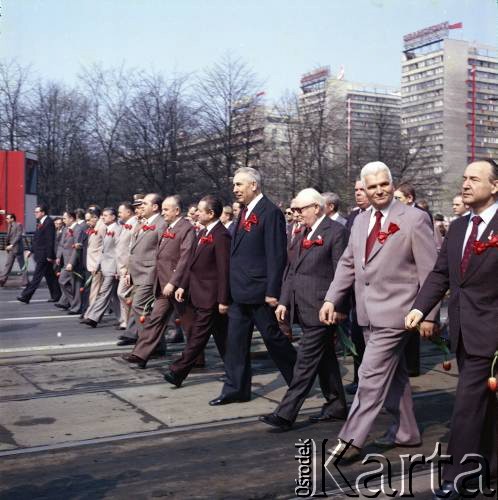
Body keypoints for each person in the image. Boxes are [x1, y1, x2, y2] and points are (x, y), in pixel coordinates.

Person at [320, 161, 438, 461]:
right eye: (371, 186)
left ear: (392, 183)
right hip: (367, 315)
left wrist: (430, 315)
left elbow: (431, 271)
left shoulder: (414, 219)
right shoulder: (359, 221)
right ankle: (407, 432)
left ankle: (351, 439)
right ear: (364, 190)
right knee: (394, 376)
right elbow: (348, 263)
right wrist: (331, 299)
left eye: (383, 184)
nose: (379, 190)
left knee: (370, 375)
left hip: (400, 314)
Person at [406, 159, 498, 499]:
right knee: (485, 404)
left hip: (492, 332)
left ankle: (457, 474)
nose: (466, 183)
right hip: (461, 329)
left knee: (466, 405)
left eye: (475, 178)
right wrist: (419, 307)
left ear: (495, 185)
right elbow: (441, 274)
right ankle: (486, 465)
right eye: (464, 178)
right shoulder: (459, 227)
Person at [259, 188, 348, 430]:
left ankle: (286, 413)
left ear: (316, 208)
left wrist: (338, 305)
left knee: (305, 361)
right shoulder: (303, 233)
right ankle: (337, 405)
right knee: (326, 358)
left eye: (300, 209)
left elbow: (343, 272)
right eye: (295, 210)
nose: (296, 214)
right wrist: (284, 301)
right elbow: (292, 272)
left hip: (322, 308)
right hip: (303, 306)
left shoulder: (336, 232)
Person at [210, 167, 297, 406]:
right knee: (235, 343)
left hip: (260, 292)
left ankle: (300, 380)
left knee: (274, 340)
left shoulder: (270, 212)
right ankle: (236, 388)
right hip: (240, 291)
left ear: (254, 186)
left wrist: (272, 290)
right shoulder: (245, 212)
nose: (235, 189)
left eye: (239, 184)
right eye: (235, 184)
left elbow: (276, 255)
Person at [164, 195, 230, 387]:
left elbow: (224, 270)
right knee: (224, 340)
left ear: (210, 214)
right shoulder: (203, 233)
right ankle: (237, 371)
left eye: (200, 211)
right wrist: (183, 285)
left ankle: (178, 371)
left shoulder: (221, 235)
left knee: (197, 336)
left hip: (210, 297)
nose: (196, 213)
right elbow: (192, 264)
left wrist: (223, 299)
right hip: (199, 293)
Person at [123, 195, 195, 366]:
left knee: (189, 324)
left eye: (166, 210)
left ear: (177, 211)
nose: (163, 213)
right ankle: (141, 354)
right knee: (156, 318)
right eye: (162, 209)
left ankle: (197, 359)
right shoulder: (170, 226)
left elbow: (185, 258)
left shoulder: (186, 228)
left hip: (178, 286)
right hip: (164, 284)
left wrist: (174, 282)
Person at [119, 193, 166, 347]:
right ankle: (156, 345)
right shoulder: (143, 222)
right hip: (137, 273)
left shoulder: (161, 223)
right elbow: (134, 249)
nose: (141, 206)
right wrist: (129, 272)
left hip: (149, 273)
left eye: (145, 204)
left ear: (155, 207)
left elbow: (162, 251)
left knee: (140, 306)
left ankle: (147, 345)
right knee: (146, 310)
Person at [344, 179, 370, 395]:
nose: (358, 194)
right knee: (357, 336)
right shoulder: (353, 217)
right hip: (356, 288)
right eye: (356, 190)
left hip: (379, 290)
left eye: (363, 190)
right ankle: (358, 377)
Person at [82, 207, 121, 327]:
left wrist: (118, 269)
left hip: (112, 267)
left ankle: (93, 317)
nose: (102, 217)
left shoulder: (117, 229)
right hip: (105, 266)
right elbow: (103, 250)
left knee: (104, 292)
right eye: (102, 215)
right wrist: (98, 265)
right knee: (114, 296)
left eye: (105, 215)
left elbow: (119, 251)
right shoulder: (108, 228)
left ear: (113, 217)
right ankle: (123, 320)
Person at [17, 204, 61, 304]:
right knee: (50, 276)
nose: (35, 214)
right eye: (35, 212)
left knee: (37, 277)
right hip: (40, 254)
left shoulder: (48, 222)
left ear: (43, 212)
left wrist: (50, 256)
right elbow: (37, 239)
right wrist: (31, 250)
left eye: (37, 212)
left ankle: (26, 296)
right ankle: (57, 295)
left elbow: (50, 241)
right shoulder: (41, 222)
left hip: (44, 256)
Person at [55, 211, 84, 314]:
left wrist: (71, 262)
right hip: (65, 261)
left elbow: (77, 248)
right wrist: (58, 256)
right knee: (62, 281)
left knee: (76, 285)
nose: (63, 220)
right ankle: (74, 304)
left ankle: (76, 307)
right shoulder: (66, 229)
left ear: (71, 218)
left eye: (65, 218)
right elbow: (61, 245)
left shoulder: (78, 229)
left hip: (73, 262)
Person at [115, 202, 137, 331]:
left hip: (128, 268)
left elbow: (131, 248)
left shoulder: (134, 224)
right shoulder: (125, 225)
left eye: (120, 212)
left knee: (122, 293)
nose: (119, 215)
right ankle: (126, 321)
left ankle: (129, 322)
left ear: (129, 212)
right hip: (122, 267)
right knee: (121, 294)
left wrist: (127, 269)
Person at [0, 213, 28, 287]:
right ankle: (2, 280)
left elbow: (18, 236)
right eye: (6, 218)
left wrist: (12, 244)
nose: (6, 220)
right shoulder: (9, 226)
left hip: (17, 248)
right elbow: (9, 237)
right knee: (8, 265)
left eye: (8, 218)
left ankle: (25, 282)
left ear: (12, 219)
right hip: (11, 249)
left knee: (22, 265)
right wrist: (7, 245)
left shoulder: (18, 225)